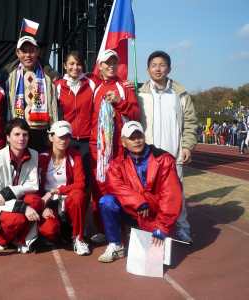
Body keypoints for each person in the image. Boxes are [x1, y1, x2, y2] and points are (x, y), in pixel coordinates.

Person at [98, 121, 182, 263]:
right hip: (133, 209)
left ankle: (148, 231)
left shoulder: (164, 159)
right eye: (132, 138)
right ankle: (116, 245)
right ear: (124, 142)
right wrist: (139, 202)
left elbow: (171, 196)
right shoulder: (117, 163)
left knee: (154, 259)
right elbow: (115, 186)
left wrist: (161, 228)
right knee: (106, 202)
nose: (137, 141)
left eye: (139, 136)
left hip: (155, 213)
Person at [138, 50, 198, 243]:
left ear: (169, 68)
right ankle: (150, 228)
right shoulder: (140, 94)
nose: (158, 69)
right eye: (154, 65)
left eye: (162, 65)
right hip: (149, 156)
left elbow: (190, 122)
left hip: (174, 154)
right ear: (148, 69)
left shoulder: (180, 94)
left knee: (176, 195)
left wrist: (187, 146)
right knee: (149, 195)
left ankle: (182, 228)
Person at [89, 49, 140, 242]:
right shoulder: (93, 86)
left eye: (114, 63)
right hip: (98, 149)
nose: (110, 66)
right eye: (106, 63)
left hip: (119, 149)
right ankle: (102, 229)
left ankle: (122, 227)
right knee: (99, 189)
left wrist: (120, 102)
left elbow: (135, 114)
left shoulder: (124, 88)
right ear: (100, 66)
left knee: (119, 188)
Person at [0, 118, 41, 253]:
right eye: (17, 134)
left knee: (36, 201)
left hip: (18, 200)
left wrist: (9, 192)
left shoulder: (34, 154)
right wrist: (23, 207)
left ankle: (20, 240)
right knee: (16, 219)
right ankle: (0, 239)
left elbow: (34, 185)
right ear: (8, 138)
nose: (22, 138)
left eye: (25, 134)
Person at [37, 121, 90, 255]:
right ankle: (61, 230)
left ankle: (78, 238)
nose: (64, 140)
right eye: (60, 137)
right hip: (49, 201)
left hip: (67, 198)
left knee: (78, 195)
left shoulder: (75, 155)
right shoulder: (41, 158)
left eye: (67, 137)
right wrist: (42, 207)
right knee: (49, 231)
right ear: (51, 137)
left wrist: (58, 190)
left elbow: (80, 183)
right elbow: (34, 187)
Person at [6, 36, 58, 152]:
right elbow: (8, 108)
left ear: (37, 52)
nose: (28, 55)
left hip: (42, 133)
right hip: (20, 132)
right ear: (18, 53)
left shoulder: (48, 76)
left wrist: (54, 131)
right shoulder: (10, 77)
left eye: (31, 51)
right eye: (24, 51)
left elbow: (53, 106)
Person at [55, 51, 96, 184]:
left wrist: (124, 83)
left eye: (78, 64)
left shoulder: (91, 83)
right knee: (68, 177)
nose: (75, 67)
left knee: (87, 177)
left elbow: (109, 82)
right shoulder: (58, 86)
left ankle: (86, 204)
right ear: (65, 66)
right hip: (67, 139)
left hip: (87, 139)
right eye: (71, 63)